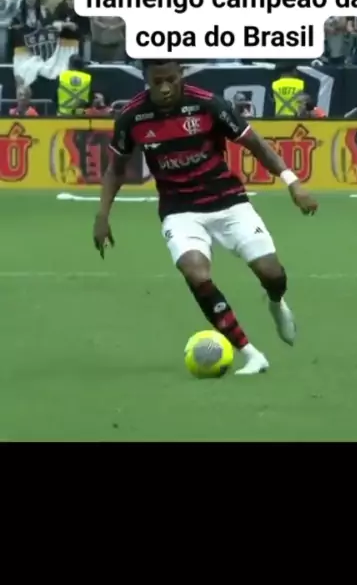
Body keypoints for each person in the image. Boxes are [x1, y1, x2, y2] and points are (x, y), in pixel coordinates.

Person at [93, 59, 318, 376]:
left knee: (272, 274)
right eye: (157, 81)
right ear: (146, 79)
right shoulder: (132, 116)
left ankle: (275, 301)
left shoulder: (209, 104)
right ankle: (251, 354)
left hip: (228, 202)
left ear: (181, 75)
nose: (165, 88)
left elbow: (256, 144)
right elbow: (115, 169)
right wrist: (103, 214)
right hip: (179, 211)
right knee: (196, 274)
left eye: (171, 79)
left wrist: (293, 183)